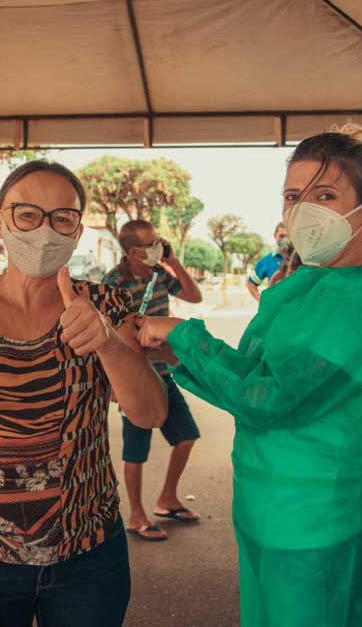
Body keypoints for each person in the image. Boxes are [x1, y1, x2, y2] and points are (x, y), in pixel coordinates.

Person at [137, 129, 362, 627]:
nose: (303, 211)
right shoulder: (319, 285)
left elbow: (268, 397)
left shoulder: (358, 298)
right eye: (293, 196)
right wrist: (179, 352)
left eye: (325, 195)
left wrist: (187, 339)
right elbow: (263, 376)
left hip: (313, 514)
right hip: (275, 504)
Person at [0, 160, 167, 627]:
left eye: (61, 217)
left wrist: (106, 340)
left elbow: (149, 413)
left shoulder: (104, 304)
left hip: (89, 558)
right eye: (27, 214)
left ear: (77, 231)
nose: (44, 231)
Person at [103, 219, 203, 541]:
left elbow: (194, 295)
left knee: (186, 436)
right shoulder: (113, 282)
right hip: (134, 379)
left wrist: (172, 262)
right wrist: (113, 384)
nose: (158, 245)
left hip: (164, 373)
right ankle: (136, 515)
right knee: (136, 451)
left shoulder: (160, 275)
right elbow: (103, 335)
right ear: (133, 251)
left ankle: (167, 500)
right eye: (152, 242)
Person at [246, 222, 289, 300]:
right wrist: (261, 300)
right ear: (275, 236)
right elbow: (251, 283)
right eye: (281, 236)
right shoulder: (267, 261)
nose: (285, 240)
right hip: (276, 310)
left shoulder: (301, 259)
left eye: (287, 236)